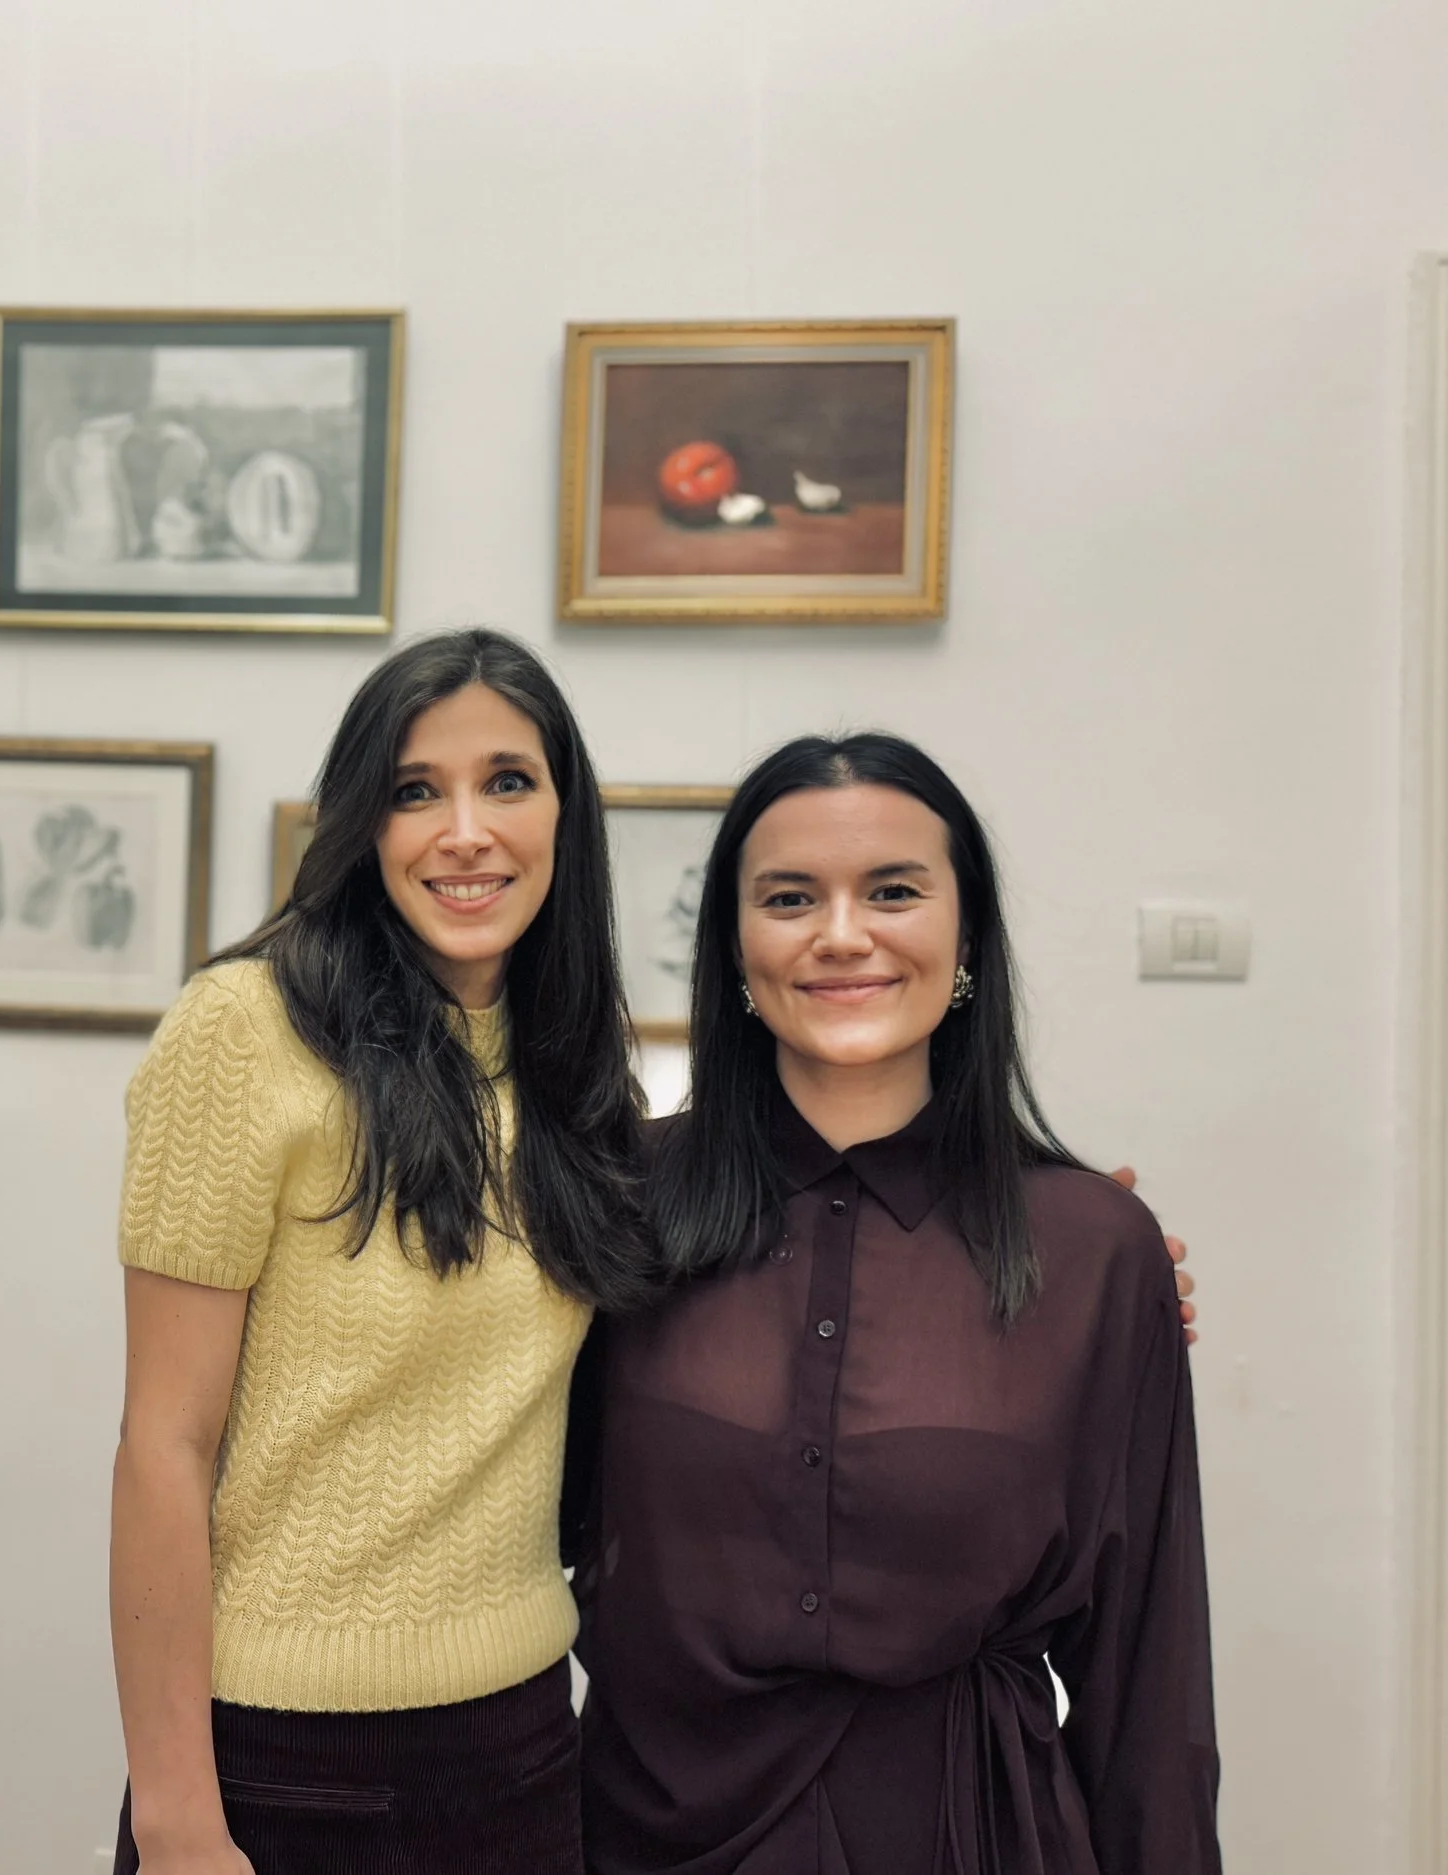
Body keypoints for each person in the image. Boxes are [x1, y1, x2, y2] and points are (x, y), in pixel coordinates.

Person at [567, 733, 1220, 1873]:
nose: (840, 933)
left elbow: (1148, 1679)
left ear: (965, 936)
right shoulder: (612, 1206)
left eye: (893, 890)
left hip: (971, 1835)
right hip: (646, 1833)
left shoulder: (1095, 1252)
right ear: (733, 946)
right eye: (787, 897)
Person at [108, 629, 660, 1875]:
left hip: (524, 1750)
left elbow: (773, 1198)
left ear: (564, 814)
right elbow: (162, 1445)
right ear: (364, 822)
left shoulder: (570, 1070)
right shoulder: (243, 1032)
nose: (465, 831)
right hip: (282, 1766)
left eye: (507, 782)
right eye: (417, 792)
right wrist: (178, 1819)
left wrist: (1070, 1238)